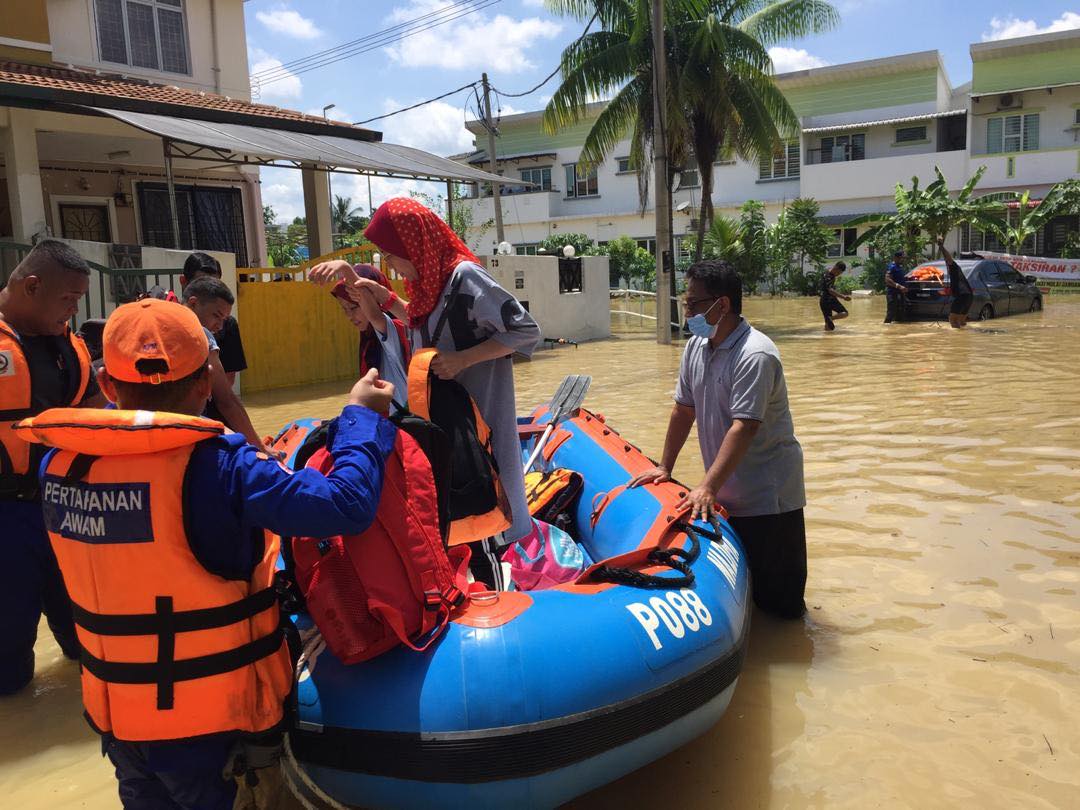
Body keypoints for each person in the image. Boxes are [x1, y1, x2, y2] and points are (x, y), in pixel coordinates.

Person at [17, 298, 396, 809]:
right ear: (205, 385)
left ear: (106, 385)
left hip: (120, 719)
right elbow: (345, 505)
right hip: (217, 727)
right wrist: (359, 419)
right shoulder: (224, 469)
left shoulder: (58, 465)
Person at [354, 197, 541, 589]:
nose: (390, 264)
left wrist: (463, 360)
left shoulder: (466, 277)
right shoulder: (428, 284)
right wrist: (386, 300)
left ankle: (498, 598)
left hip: (478, 427)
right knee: (455, 516)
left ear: (414, 244)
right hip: (445, 425)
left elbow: (525, 331)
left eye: (392, 254)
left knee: (483, 518)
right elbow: (425, 325)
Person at [628, 260, 807, 619]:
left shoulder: (755, 353)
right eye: (686, 301)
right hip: (726, 493)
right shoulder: (697, 345)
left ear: (721, 305)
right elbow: (683, 409)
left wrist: (706, 486)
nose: (687, 310)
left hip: (768, 499)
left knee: (782, 609)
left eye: (693, 303)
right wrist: (665, 466)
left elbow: (745, 426)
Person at [0, 239, 106, 695]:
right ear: (32, 285)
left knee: (90, 648)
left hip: (64, 509)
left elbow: (99, 413)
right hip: (6, 517)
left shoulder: (68, 344)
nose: (74, 309)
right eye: (68, 299)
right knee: (9, 672)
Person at [181, 276, 274, 455]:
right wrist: (261, 449)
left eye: (224, 319)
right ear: (193, 303)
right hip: (190, 433)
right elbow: (227, 401)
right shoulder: (200, 333)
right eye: (216, 315)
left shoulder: (158, 323)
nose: (220, 326)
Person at [309, 262, 411, 404]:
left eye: (353, 307)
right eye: (345, 309)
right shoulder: (369, 340)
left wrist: (346, 269)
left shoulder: (396, 331)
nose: (349, 316)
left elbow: (374, 315)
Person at [938, 238, 973, 328]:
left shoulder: (954, 267)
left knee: (953, 320)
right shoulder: (955, 272)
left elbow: (949, 258)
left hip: (962, 296)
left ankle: (956, 340)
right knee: (961, 321)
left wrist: (941, 246)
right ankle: (964, 337)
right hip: (969, 296)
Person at [820, 261, 852, 331]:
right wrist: (843, 297)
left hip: (823, 300)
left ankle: (827, 340)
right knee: (845, 313)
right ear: (836, 268)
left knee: (828, 326)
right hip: (829, 299)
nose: (838, 275)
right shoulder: (829, 276)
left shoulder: (826, 272)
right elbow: (830, 290)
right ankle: (831, 318)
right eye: (839, 273)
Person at [884, 249, 909, 323]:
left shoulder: (900, 267)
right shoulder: (892, 267)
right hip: (892, 293)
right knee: (891, 312)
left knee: (900, 312)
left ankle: (897, 331)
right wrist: (899, 286)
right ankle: (886, 328)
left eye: (904, 258)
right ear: (896, 258)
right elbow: (887, 279)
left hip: (900, 293)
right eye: (902, 258)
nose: (903, 259)